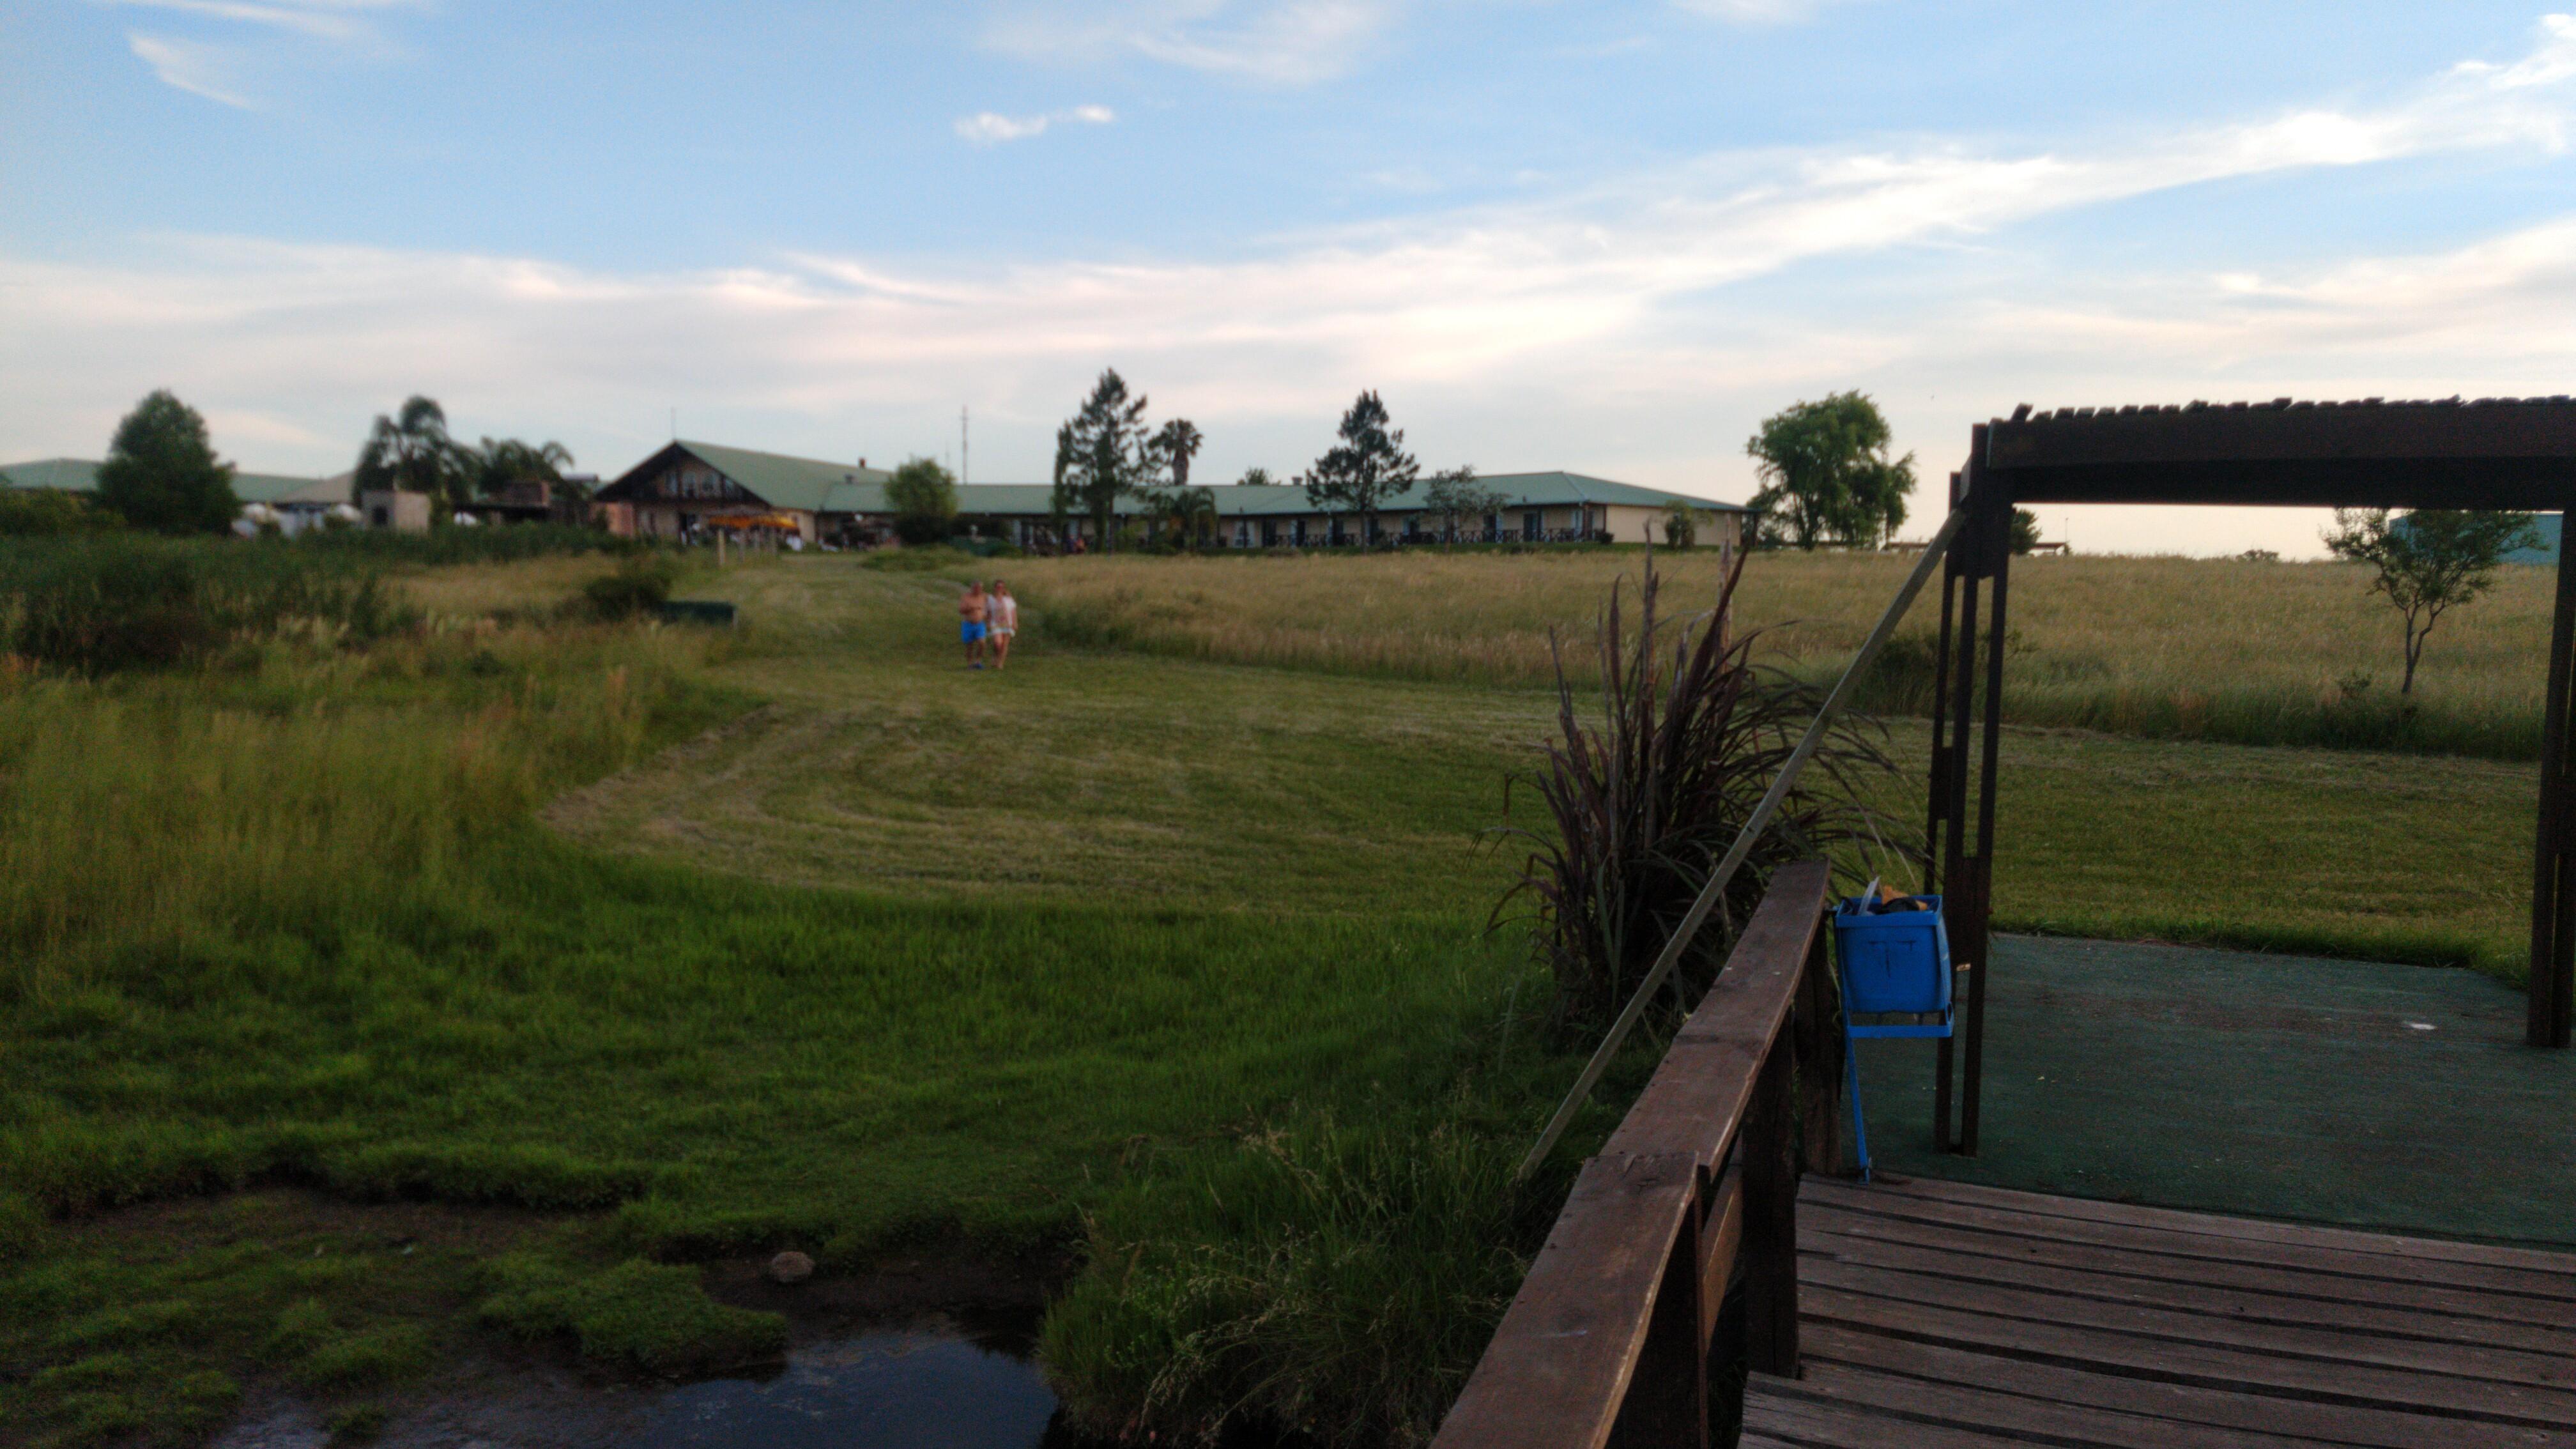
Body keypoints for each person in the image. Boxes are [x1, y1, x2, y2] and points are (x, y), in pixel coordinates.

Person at [988, 580, 1018, 670]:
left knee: (1005, 644)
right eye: (998, 587)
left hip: (1007, 623)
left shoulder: (1008, 599)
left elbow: (1013, 611)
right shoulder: (990, 599)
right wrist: (988, 622)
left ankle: (1000, 662)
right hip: (996, 623)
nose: (1000, 589)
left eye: (1001, 587)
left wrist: (1015, 622)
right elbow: (989, 611)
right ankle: (995, 655)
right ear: (995, 588)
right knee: (998, 643)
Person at [958, 581, 988, 668]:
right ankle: (970, 664)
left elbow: (994, 601)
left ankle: (978, 661)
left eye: (979, 588)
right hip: (968, 624)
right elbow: (961, 610)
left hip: (980, 624)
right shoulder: (966, 597)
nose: (977, 590)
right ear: (972, 588)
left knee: (982, 643)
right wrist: (971, 608)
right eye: (975, 588)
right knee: (969, 645)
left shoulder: (985, 597)